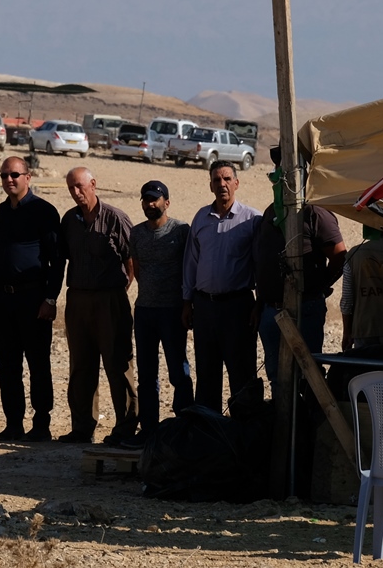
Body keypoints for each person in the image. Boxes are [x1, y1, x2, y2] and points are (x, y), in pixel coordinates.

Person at [57, 167, 137, 445]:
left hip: (110, 299)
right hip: (78, 299)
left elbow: (132, 258)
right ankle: (82, 427)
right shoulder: (69, 220)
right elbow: (63, 258)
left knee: (117, 363)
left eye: (80, 186)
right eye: (71, 188)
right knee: (81, 365)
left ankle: (126, 427)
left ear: (93, 184)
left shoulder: (115, 218)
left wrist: (119, 290)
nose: (76, 193)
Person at [181, 160, 263, 415]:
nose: (222, 184)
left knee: (242, 373)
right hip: (204, 307)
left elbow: (261, 265)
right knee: (206, 373)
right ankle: (209, 437)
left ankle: (244, 436)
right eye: (217, 180)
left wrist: (260, 304)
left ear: (237, 183)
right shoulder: (201, 218)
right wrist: (187, 301)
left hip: (238, 307)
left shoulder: (252, 219)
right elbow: (191, 262)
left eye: (227, 179)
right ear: (210, 186)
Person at [0, 155, 63, 441]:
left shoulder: (44, 211)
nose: (10, 180)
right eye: (5, 175)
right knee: (7, 365)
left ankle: (41, 424)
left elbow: (57, 260)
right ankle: (13, 423)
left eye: (15, 175)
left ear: (28, 177)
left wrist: (51, 298)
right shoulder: (0, 211)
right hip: (4, 301)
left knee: (38, 363)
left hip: (33, 299)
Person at [255, 201, 347, 381]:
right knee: (276, 375)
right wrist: (260, 303)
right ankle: (282, 409)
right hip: (271, 309)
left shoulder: (315, 213)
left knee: (309, 373)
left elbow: (340, 256)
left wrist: (319, 285)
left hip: (306, 308)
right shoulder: (270, 211)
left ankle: (309, 409)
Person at [130, 179, 193, 438]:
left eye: (155, 199)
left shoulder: (181, 231)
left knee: (178, 370)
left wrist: (187, 305)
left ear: (166, 202)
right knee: (146, 375)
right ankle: (149, 430)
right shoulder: (136, 233)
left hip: (172, 311)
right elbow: (137, 267)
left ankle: (186, 426)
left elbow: (190, 267)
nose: (150, 203)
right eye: (146, 199)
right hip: (144, 310)